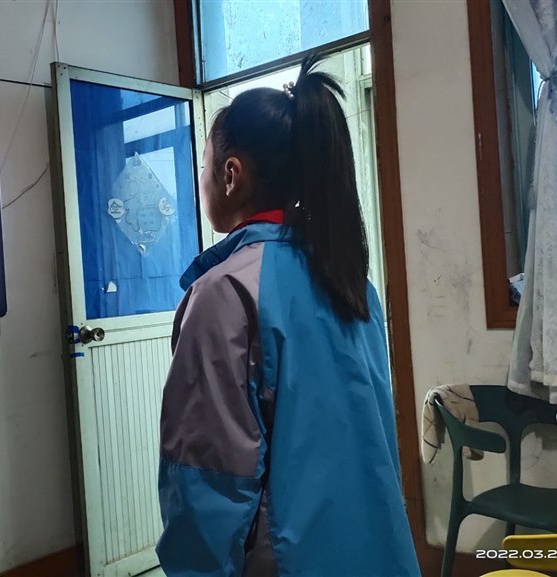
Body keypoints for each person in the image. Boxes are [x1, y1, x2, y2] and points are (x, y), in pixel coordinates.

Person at [157, 53, 420, 577]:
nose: (201, 178)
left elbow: (210, 479)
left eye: (204, 164)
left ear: (231, 175)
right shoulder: (350, 281)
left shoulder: (225, 292)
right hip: (378, 551)